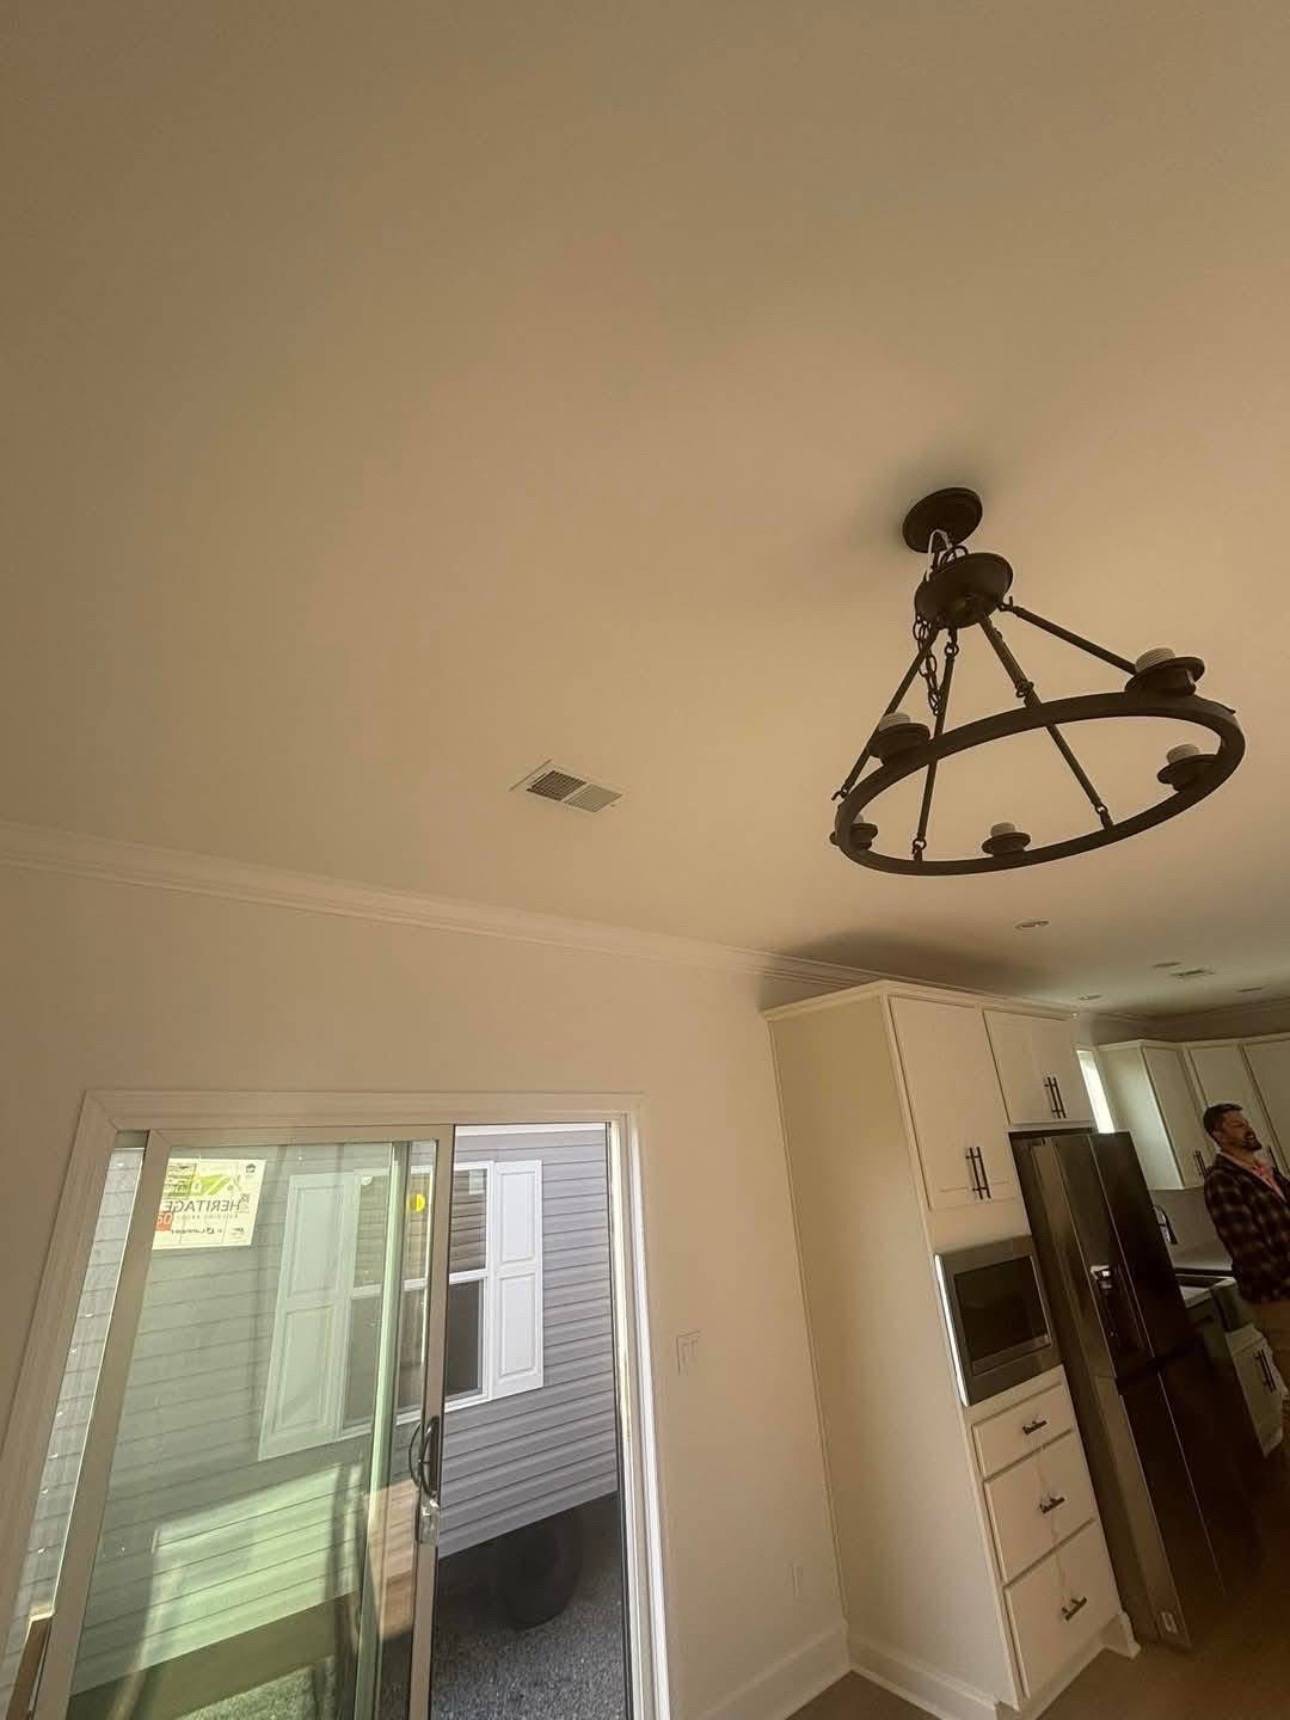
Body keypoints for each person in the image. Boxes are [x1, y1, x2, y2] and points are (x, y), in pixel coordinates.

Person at [1203, 1102, 1290, 1434]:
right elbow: (1249, 1251)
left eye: (1246, 1122)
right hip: (1276, 1299)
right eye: (1237, 1125)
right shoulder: (1223, 1180)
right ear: (1218, 1135)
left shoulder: (1264, 1169)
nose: (1248, 1128)